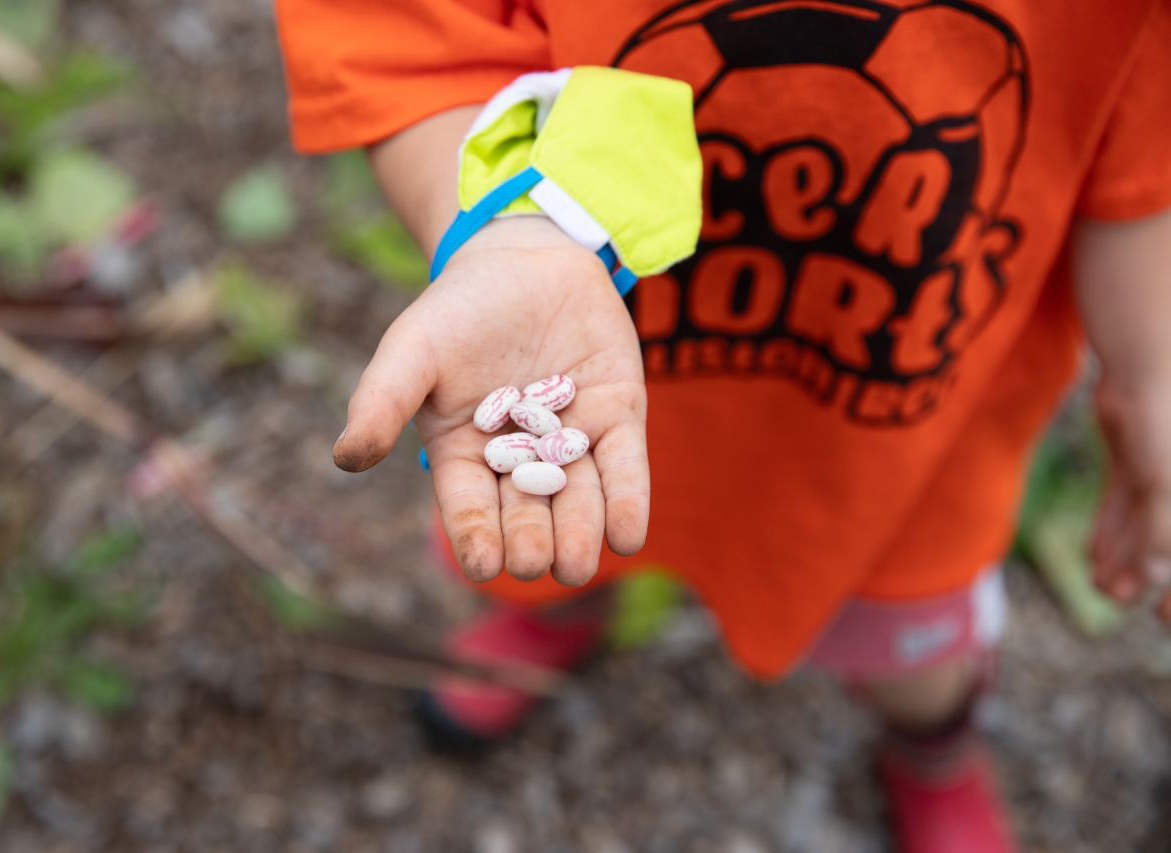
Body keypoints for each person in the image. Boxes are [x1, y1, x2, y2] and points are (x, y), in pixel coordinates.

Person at [273, 2, 1171, 850]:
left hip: (902, 438)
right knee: (553, 539)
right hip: (593, 374)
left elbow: (1137, 150)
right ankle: (559, 618)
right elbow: (408, 41)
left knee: (913, 651)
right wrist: (503, 232)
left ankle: (931, 746)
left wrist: (1151, 377)